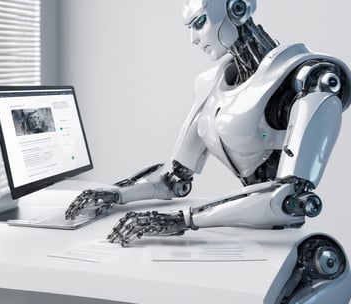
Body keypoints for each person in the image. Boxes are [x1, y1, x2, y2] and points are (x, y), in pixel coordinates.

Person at [66, 0, 351, 244]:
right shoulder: (211, 84)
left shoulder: (312, 78)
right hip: (244, 233)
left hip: (286, 241)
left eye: (200, 22)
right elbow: (173, 178)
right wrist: (116, 193)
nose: (193, 38)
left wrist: (183, 219)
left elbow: (291, 197)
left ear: (236, 9)